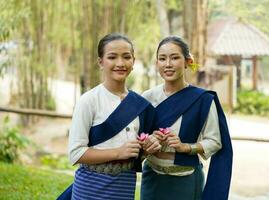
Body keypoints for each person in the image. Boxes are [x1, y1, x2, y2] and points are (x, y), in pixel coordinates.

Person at [57, 33, 161, 200]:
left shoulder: (141, 106)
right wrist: (118, 153)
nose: (120, 63)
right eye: (112, 57)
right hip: (89, 188)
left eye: (126, 57)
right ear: (100, 62)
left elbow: (137, 154)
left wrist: (148, 148)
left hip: (124, 186)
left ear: (133, 62)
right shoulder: (88, 101)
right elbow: (76, 153)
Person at [141, 36, 233, 200]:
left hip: (186, 179)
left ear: (187, 61)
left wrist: (186, 147)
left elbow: (214, 141)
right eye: (162, 59)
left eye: (175, 57)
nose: (168, 64)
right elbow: (137, 139)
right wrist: (149, 142)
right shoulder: (147, 98)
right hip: (152, 177)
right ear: (157, 64)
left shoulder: (202, 99)